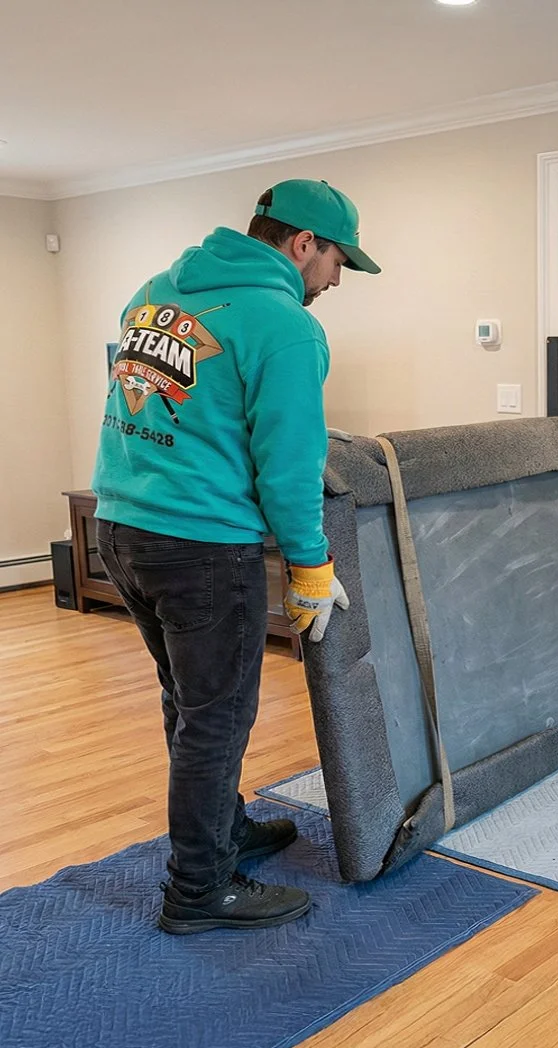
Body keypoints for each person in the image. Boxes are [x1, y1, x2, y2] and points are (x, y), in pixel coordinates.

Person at [91, 179, 379, 933]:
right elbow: (288, 464)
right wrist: (311, 567)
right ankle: (199, 889)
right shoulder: (284, 324)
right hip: (203, 548)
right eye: (337, 260)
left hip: (122, 526)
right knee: (217, 719)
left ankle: (223, 830)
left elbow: (163, 406)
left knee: (188, 703)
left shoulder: (155, 292)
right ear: (303, 243)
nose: (337, 279)